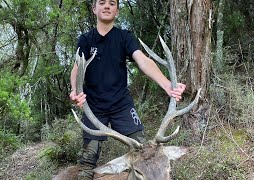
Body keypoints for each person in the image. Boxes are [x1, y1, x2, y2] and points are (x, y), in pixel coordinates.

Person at [69, 0, 186, 179]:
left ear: (117, 11)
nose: (107, 6)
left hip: (122, 106)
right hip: (93, 108)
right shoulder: (85, 40)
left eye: (112, 3)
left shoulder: (124, 37)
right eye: (102, 2)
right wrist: (74, 90)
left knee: (148, 153)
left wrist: (167, 84)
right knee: (87, 164)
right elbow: (77, 68)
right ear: (94, 9)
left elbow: (143, 60)